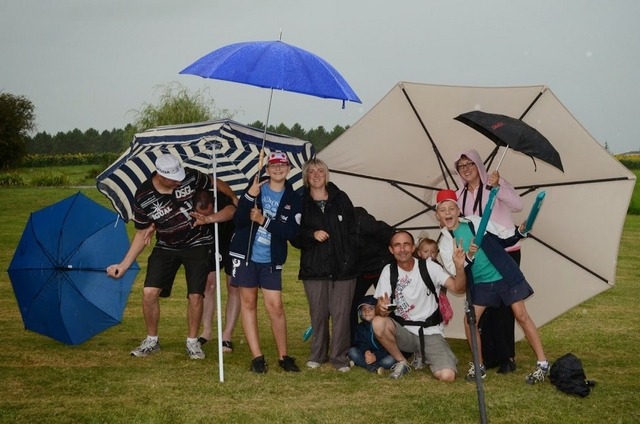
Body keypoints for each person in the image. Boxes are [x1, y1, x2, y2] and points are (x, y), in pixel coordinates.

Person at [107, 153, 218, 360]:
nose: (178, 180)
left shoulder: (191, 177)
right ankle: (152, 340)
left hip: (198, 243)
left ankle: (193, 343)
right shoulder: (143, 196)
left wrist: (234, 199)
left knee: (196, 294)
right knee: (149, 292)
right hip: (166, 245)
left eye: (179, 176)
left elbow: (213, 182)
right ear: (159, 174)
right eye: (173, 178)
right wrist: (123, 265)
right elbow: (141, 234)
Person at [434, 189, 550, 385]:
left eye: (451, 208)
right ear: (437, 214)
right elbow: (457, 273)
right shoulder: (444, 242)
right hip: (480, 284)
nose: (448, 213)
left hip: (504, 275)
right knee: (470, 321)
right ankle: (478, 365)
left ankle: (543, 363)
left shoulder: (474, 221)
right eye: (443, 209)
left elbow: (504, 237)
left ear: (458, 209)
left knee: (521, 315)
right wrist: (466, 259)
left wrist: (519, 231)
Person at [228, 151, 302, 373]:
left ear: (289, 169)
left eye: (282, 165)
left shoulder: (294, 198)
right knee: (248, 304)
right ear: (267, 170)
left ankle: (283, 356)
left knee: (275, 307)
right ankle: (257, 357)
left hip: (271, 259)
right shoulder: (256, 190)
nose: (278, 169)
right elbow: (239, 221)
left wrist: (264, 221)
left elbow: (291, 232)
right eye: (273, 166)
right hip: (246, 256)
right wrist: (249, 196)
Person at [454, 149, 523, 374]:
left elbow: (518, 205)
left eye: (469, 164)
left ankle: (507, 357)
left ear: (478, 165)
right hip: (478, 255)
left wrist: (499, 184)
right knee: (482, 305)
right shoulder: (458, 196)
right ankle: (490, 355)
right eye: (461, 166)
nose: (465, 169)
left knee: (505, 305)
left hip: (505, 251)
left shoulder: (494, 185)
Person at [372, 230, 467, 380]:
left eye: (406, 245)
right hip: (404, 332)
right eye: (397, 245)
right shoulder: (388, 271)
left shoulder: (429, 267)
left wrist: (460, 268)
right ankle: (402, 361)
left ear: (413, 247)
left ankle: (428, 354)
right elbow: (379, 312)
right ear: (391, 250)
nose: (402, 249)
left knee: (447, 376)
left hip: (430, 331)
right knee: (378, 323)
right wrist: (381, 309)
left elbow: (458, 288)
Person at [296, 158, 359, 372]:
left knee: (341, 314)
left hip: (343, 269)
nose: (315, 174)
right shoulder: (300, 200)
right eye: (311, 171)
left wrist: (349, 257)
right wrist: (311, 234)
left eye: (319, 170)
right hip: (314, 268)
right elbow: (293, 235)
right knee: (319, 313)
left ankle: (339, 357)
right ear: (306, 176)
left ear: (326, 174)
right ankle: (318, 354)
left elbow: (353, 230)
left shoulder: (341, 198)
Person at [190, 188, 239, 353]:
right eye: (200, 214)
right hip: (208, 243)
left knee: (233, 287)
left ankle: (227, 336)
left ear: (213, 204)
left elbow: (232, 210)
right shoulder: (192, 195)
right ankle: (206, 331)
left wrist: (210, 219)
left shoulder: (223, 197)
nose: (203, 215)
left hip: (232, 240)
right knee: (208, 286)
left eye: (208, 211)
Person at [350, 206, 395, 344]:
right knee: (350, 304)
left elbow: (391, 235)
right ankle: (352, 341)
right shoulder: (337, 224)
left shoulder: (364, 221)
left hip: (381, 267)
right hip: (362, 269)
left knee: (390, 304)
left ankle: (396, 342)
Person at [348, 295, 396, 374]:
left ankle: (363, 364)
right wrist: (366, 352)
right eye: (363, 309)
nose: (367, 312)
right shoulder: (360, 327)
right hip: (367, 355)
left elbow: (388, 347)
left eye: (371, 308)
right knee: (352, 351)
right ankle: (373, 367)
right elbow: (359, 343)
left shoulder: (384, 325)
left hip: (381, 355)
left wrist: (375, 356)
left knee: (391, 360)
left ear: (378, 310)